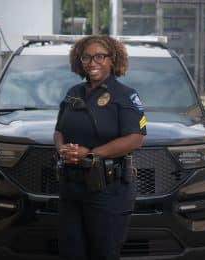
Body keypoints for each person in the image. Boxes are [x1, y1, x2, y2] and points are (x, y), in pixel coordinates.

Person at [53, 35, 147, 260]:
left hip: (108, 190)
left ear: (112, 59)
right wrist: (62, 149)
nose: (92, 62)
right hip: (71, 189)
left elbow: (135, 138)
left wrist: (91, 154)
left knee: (104, 253)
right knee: (71, 252)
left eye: (99, 56)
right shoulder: (73, 93)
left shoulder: (126, 95)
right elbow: (59, 130)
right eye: (86, 57)